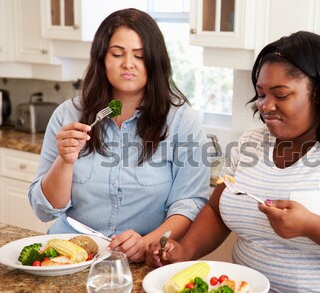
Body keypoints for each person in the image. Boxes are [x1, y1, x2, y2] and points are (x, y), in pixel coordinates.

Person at [146, 31, 320, 293]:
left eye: (281, 95)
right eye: (261, 94)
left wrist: (312, 226)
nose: (266, 106)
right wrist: (185, 251)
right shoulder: (250, 143)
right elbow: (217, 210)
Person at [28, 8, 210, 263]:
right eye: (117, 54)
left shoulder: (181, 120)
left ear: (155, 61)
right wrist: (65, 160)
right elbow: (44, 210)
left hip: (140, 261)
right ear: (102, 58)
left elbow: (189, 203)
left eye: (140, 56)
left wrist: (146, 244)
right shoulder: (68, 115)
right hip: (69, 256)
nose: (128, 63)